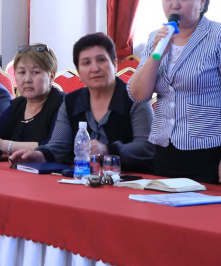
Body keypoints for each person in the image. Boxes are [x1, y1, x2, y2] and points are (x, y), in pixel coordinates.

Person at [127, 0, 221, 186]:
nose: (175, 4)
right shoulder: (157, 37)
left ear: (202, 0)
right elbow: (138, 95)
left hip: (208, 152)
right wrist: (156, 56)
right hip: (164, 149)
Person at [64, 33, 155, 169]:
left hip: (131, 177)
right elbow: (58, 145)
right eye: (86, 63)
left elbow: (147, 147)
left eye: (101, 60)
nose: (95, 69)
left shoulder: (135, 97)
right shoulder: (69, 101)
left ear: (114, 63)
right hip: (82, 176)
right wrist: (38, 154)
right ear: (78, 71)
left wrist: (108, 150)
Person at [0, 44, 72, 162]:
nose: (27, 79)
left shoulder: (63, 104)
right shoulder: (17, 104)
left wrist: (4, 145)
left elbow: (52, 146)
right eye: (22, 72)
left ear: (51, 76)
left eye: (35, 72)